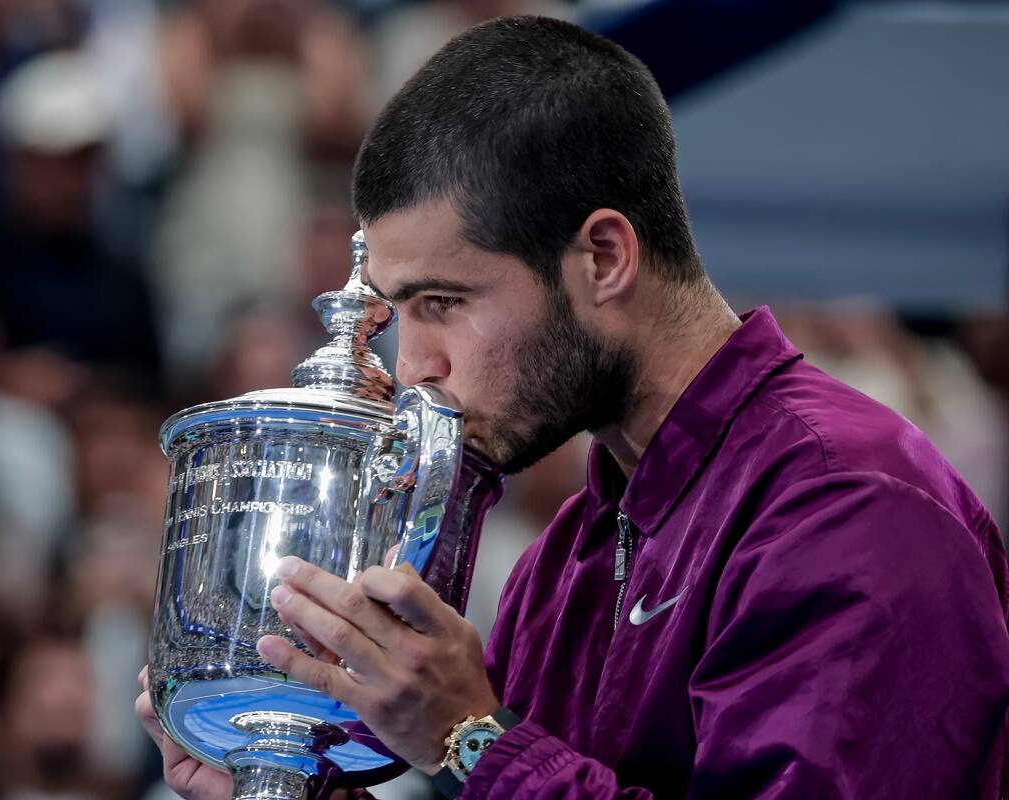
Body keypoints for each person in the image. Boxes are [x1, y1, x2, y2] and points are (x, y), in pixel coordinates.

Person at [136, 16, 1009, 799]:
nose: (416, 368)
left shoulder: (846, 505)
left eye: (443, 302)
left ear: (603, 258)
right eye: (402, 313)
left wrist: (471, 741)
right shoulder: (564, 560)